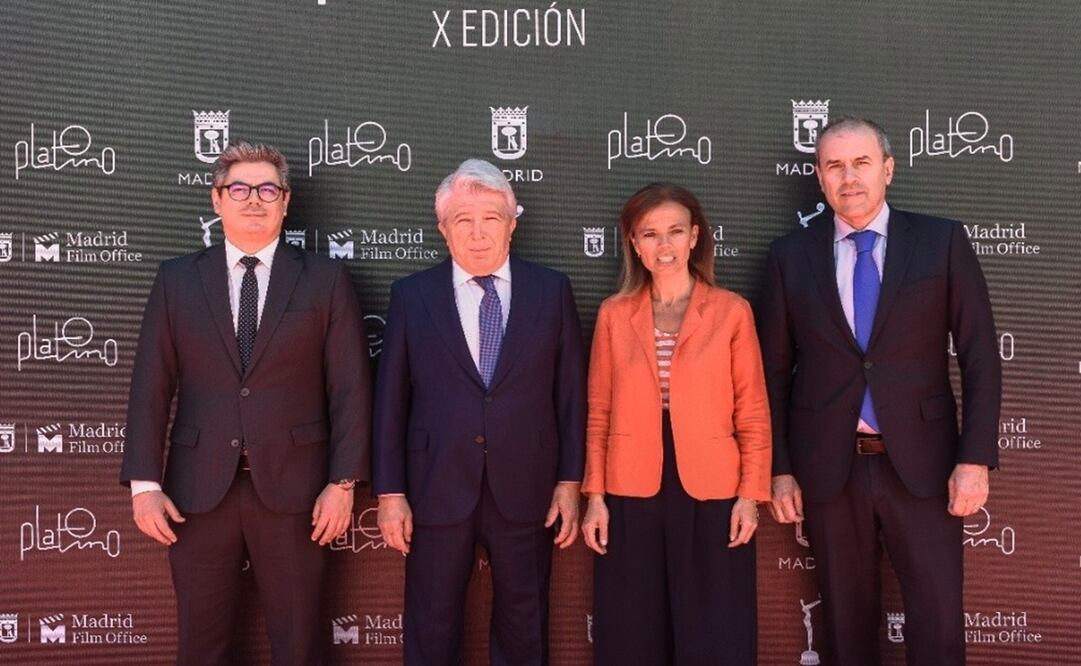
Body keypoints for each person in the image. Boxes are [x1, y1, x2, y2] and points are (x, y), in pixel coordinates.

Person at [759, 117, 1001, 666]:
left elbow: (981, 357)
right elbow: (772, 373)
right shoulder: (788, 257)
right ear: (819, 177)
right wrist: (781, 467)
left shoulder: (941, 242)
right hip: (830, 468)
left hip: (926, 465)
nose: (849, 177)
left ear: (888, 169)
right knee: (845, 628)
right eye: (835, 165)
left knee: (938, 622)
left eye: (862, 163)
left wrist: (975, 459)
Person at [120, 141, 371, 665]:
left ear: (286, 201)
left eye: (267, 190)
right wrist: (144, 486)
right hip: (197, 494)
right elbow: (150, 387)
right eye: (239, 189)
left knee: (299, 648)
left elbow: (350, 389)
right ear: (216, 199)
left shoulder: (325, 280)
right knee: (201, 649)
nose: (253, 199)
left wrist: (343, 483)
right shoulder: (176, 280)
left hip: (299, 494)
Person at [372, 158, 586, 665]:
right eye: (462, 220)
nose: (477, 232)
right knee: (431, 626)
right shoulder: (412, 295)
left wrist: (569, 481)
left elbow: (571, 394)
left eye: (491, 218)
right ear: (443, 228)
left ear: (512, 223)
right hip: (435, 487)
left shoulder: (551, 291)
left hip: (528, 487)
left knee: (524, 625)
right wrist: (390, 493)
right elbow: (390, 401)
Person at [580, 183, 771, 665]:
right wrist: (595, 497)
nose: (663, 245)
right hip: (629, 487)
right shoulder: (613, 314)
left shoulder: (731, 311)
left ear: (694, 237)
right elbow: (598, 411)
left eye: (675, 231)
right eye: (650, 234)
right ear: (633, 242)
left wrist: (750, 496)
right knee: (632, 634)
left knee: (715, 633)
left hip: (713, 488)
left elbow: (752, 410)